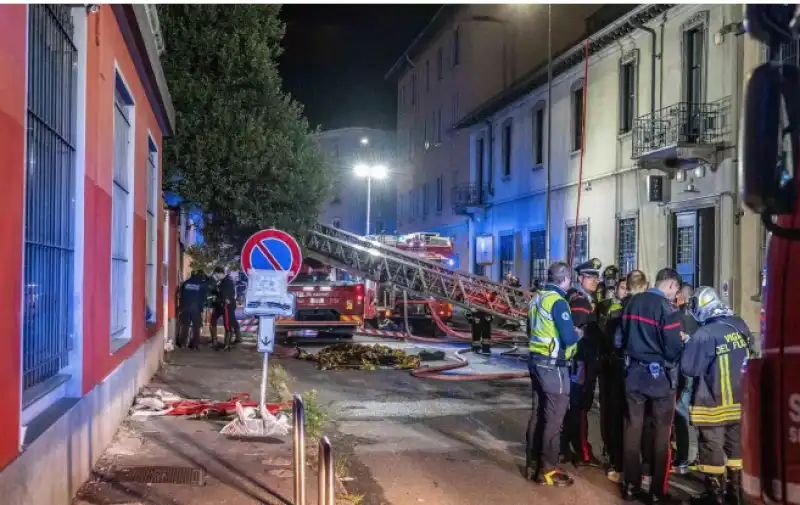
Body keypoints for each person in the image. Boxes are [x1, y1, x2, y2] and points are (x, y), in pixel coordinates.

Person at [618, 267, 684, 504]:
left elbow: (620, 338)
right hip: (659, 378)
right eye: (675, 289)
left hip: (633, 374)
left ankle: (630, 486)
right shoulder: (667, 309)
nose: (675, 294)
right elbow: (674, 347)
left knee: (632, 429)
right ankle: (657, 491)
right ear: (670, 285)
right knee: (661, 433)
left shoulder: (632, 303)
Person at [681, 287, 751, 505]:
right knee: (736, 449)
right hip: (740, 403)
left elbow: (689, 368)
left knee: (712, 451)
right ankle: (736, 494)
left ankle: (715, 497)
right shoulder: (739, 325)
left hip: (712, 404)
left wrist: (688, 343)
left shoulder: (704, 335)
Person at [525, 261, 581, 487]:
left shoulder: (536, 299)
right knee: (555, 418)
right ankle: (548, 469)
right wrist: (579, 334)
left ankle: (532, 463)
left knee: (538, 413)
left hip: (536, 363)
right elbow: (568, 338)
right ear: (566, 279)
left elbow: (530, 330)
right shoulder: (558, 302)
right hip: (554, 366)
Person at [563, 258, 604, 467]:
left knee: (577, 406)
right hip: (581, 362)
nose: (595, 280)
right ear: (580, 278)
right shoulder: (580, 301)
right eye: (590, 277)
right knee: (580, 406)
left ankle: (565, 447)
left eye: (596, 276)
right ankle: (581, 451)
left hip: (585, 361)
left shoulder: (586, 298)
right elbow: (578, 334)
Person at [596, 271, 627, 482]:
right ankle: (612, 455)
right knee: (612, 415)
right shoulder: (607, 308)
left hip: (630, 374)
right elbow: (602, 336)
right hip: (611, 370)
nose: (626, 292)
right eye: (623, 288)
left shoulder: (637, 310)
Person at [673, 282, 697, 474]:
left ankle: (681, 460)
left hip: (682, 371)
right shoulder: (698, 317)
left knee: (679, 415)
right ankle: (685, 458)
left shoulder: (680, 315)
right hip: (694, 371)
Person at [209, 266, 241, 350]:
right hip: (220, 305)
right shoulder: (221, 282)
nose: (216, 276)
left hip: (227, 305)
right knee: (213, 320)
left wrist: (218, 297)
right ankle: (214, 341)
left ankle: (227, 344)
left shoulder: (228, 282)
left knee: (227, 323)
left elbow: (225, 296)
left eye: (216, 275)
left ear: (220, 273)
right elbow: (218, 291)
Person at [178, 270, 208, 349]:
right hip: (196, 308)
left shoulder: (185, 283)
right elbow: (204, 298)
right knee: (196, 327)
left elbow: (181, 295)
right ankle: (195, 344)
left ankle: (182, 343)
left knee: (185, 325)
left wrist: (181, 306)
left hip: (185, 307)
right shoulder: (201, 285)